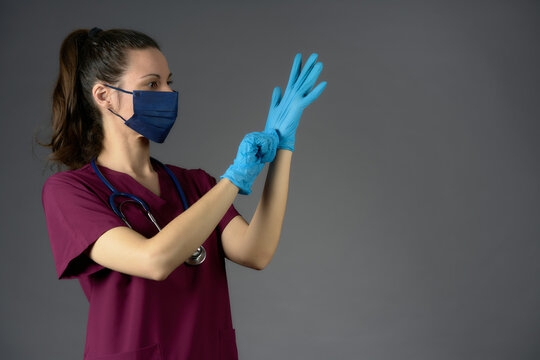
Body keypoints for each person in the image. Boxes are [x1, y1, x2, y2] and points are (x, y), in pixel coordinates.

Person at [39, 27, 326, 360]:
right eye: (151, 84)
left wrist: (282, 147)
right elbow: (154, 260)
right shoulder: (72, 191)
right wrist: (234, 178)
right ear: (104, 96)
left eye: (168, 82)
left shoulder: (194, 184)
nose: (168, 93)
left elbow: (256, 252)